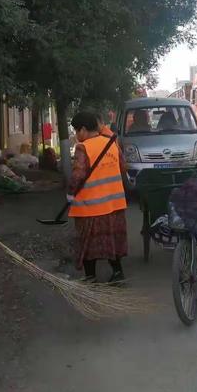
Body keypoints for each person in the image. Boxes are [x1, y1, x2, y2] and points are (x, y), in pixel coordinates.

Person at [68, 112, 128, 283]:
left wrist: (69, 192)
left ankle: (90, 277)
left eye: (76, 131)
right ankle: (118, 273)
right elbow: (123, 167)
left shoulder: (83, 147)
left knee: (88, 243)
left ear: (84, 130)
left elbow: (78, 175)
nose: (75, 135)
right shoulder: (111, 144)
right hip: (114, 204)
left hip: (90, 207)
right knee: (112, 240)